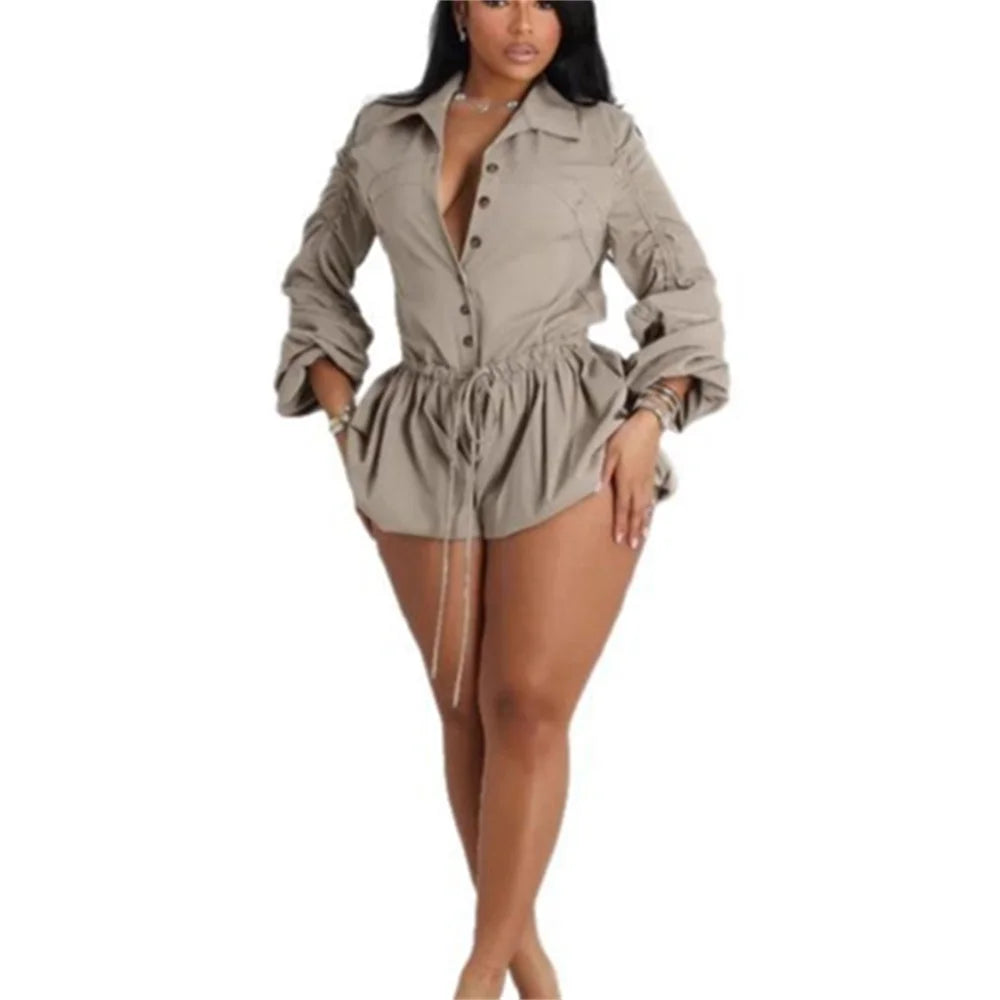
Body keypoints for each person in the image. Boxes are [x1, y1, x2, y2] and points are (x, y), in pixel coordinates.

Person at [272, 2, 730, 997]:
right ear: (456, 10)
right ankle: (528, 965)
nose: (525, 21)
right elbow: (318, 280)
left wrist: (649, 419)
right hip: (418, 442)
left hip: (568, 435)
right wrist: (347, 427)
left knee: (525, 701)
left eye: (546, 1)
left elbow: (683, 290)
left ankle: (478, 974)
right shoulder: (382, 134)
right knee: (464, 709)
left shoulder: (601, 137)